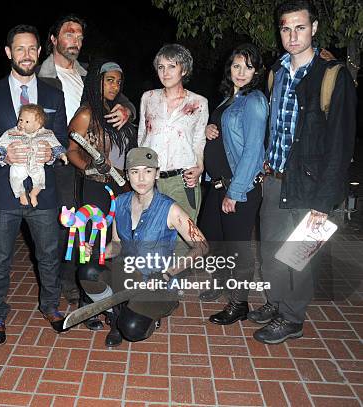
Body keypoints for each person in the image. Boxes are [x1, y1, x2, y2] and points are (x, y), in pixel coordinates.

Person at [250, 0, 356, 344]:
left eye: (299, 27)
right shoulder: (275, 72)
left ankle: (292, 319)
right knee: (271, 252)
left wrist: (325, 200)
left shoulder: (332, 76)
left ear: (313, 29)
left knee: (299, 257)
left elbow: (341, 144)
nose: (292, 35)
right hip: (275, 180)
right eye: (285, 28)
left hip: (310, 187)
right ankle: (276, 303)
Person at [0, 24, 68, 346]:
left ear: (39, 52)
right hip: (4, 192)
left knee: (50, 254)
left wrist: (52, 155)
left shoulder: (54, 93)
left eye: (32, 49)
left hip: (44, 192)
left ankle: (51, 306)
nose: (26, 55)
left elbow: (63, 139)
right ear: (9, 52)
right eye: (20, 49)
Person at [37, 14, 136, 310]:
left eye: (80, 36)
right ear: (53, 39)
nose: (76, 41)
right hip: (59, 163)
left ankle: (98, 287)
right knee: (68, 229)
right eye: (69, 34)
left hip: (101, 175)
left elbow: (116, 94)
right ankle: (72, 288)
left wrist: (128, 110)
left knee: (100, 231)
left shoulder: (85, 75)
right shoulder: (40, 77)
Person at [78, 147, 208, 347]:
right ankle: (114, 316)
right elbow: (117, 245)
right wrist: (96, 252)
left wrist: (167, 274)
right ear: (127, 175)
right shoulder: (119, 203)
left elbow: (202, 247)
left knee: (131, 329)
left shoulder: (170, 208)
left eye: (148, 171)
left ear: (156, 174)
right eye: (134, 171)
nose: (141, 178)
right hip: (128, 275)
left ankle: (146, 315)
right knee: (88, 271)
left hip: (157, 281)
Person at [197, 44, 268, 324]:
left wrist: (235, 192)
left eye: (248, 67)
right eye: (237, 66)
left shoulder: (254, 100)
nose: (241, 72)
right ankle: (221, 281)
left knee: (237, 247)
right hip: (217, 185)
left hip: (239, 188)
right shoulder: (228, 99)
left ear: (256, 72)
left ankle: (239, 304)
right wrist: (206, 129)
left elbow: (252, 149)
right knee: (212, 238)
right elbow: (221, 135)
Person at [138, 44, 208, 222]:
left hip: (183, 179)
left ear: (183, 69)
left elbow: (199, 140)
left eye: (172, 66)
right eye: (161, 67)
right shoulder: (148, 98)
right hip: (151, 179)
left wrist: (200, 167)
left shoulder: (199, 102)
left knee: (182, 241)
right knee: (151, 237)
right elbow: (142, 136)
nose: (165, 73)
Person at [0, 103, 68, 207]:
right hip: (19, 164)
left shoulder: (46, 133)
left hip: (36, 164)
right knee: (14, 178)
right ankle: (21, 194)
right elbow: (2, 143)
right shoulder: (11, 133)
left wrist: (61, 154)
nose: (21, 123)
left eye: (27, 121)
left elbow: (55, 144)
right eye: (21, 119)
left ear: (38, 124)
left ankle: (34, 194)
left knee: (40, 180)